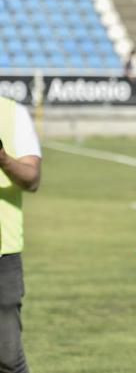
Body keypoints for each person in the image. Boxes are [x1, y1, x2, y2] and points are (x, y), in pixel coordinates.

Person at [0, 96, 42, 373]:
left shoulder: (12, 113)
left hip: (4, 254)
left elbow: (32, 178)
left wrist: (2, 158)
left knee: (8, 357)